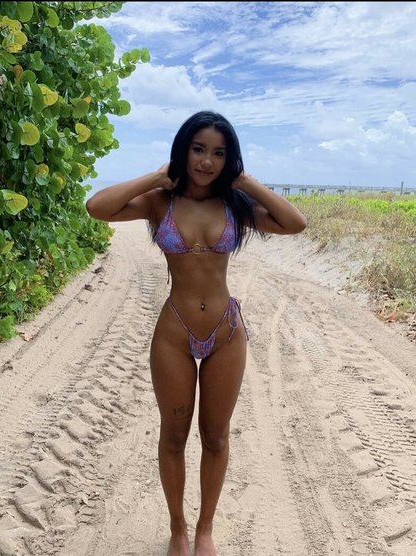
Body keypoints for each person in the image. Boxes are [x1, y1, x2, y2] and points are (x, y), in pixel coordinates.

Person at [85, 111, 307, 556]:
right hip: (174, 334)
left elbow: (295, 222)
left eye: (219, 153)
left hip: (226, 333)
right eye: (198, 149)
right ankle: (178, 530)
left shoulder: (235, 206)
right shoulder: (159, 202)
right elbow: (97, 207)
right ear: (183, 151)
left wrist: (246, 181)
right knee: (173, 436)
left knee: (216, 437)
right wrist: (157, 176)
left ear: (230, 159)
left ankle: (205, 530)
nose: (207, 161)